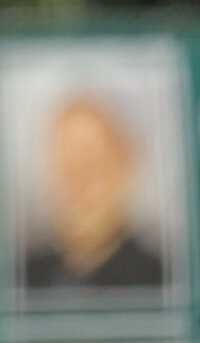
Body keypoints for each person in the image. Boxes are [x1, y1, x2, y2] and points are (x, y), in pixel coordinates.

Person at [21, 93, 165, 295]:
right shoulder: (25, 277)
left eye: (94, 159)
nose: (79, 179)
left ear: (125, 162)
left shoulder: (160, 280)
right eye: (67, 162)